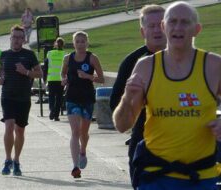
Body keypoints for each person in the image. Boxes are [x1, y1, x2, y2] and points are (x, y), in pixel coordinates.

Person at [113, 2, 221, 189]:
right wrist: (127, 98)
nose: (178, 27)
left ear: (197, 29)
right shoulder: (145, 67)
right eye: (172, 21)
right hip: (156, 176)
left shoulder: (213, 65)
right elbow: (121, 125)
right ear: (164, 26)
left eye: (185, 22)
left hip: (200, 176)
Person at [109, 4, 165, 187]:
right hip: (145, 143)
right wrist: (133, 100)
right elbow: (114, 104)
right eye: (152, 25)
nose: (158, 29)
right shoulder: (133, 62)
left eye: (162, 24)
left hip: (183, 147)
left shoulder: (187, 59)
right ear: (143, 31)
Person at [0, 25, 42, 176]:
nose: (16, 40)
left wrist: (26, 72)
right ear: (10, 38)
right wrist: (0, 78)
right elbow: (0, 71)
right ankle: (7, 159)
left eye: (19, 37)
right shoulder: (4, 55)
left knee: (20, 130)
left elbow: (40, 74)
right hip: (7, 96)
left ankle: (16, 160)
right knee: (9, 126)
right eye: (14, 37)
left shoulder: (29, 55)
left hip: (23, 97)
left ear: (23, 40)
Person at [61, 31, 105, 178]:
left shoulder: (92, 58)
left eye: (83, 41)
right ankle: (75, 167)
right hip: (72, 97)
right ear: (73, 43)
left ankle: (83, 151)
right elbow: (63, 74)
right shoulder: (67, 58)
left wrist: (87, 76)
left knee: (83, 133)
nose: (80, 44)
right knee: (75, 132)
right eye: (77, 41)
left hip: (87, 98)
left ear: (87, 43)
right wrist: (64, 80)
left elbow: (101, 79)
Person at [44, 37, 66, 121]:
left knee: (51, 96)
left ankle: (52, 110)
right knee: (59, 97)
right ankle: (56, 115)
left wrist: (44, 78)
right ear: (63, 45)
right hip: (61, 79)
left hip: (51, 78)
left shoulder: (49, 53)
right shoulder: (65, 54)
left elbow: (45, 67)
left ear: (55, 44)